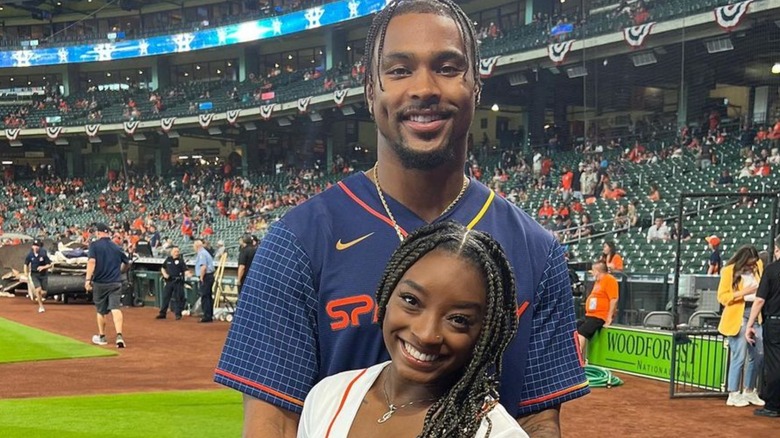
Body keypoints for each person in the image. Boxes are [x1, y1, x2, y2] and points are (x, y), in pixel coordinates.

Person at [215, 1, 588, 437]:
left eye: (448, 67)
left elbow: (537, 420)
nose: (424, 87)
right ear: (371, 89)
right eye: (399, 70)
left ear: (476, 87)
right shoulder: (296, 241)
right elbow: (272, 425)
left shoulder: (538, 252)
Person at [298, 222, 527, 437]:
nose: (427, 334)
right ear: (386, 294)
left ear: (485, 335)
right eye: (411, 300)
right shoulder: (328, 396)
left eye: (458, 320)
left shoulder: (496, 432)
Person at [717, 245, 765, 408]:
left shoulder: (758, 267)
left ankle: (749, 390)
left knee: (758, 354)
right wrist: (744, 292)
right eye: (750, 263)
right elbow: (723, 298)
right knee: (739, 355)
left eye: (754, 263)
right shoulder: (729, 271)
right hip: (738, 314)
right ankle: (733, 393)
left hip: (756, 313)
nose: (753, 266)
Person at [746, 235, 780, 417]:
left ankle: (773, 406)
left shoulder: (771, 270)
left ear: (777, 250)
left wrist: (750, 324)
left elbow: (759, 300)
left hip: (775, 322)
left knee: (774, 364)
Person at [85, 223, 130, 348]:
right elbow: (126, 264)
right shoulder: (116, 247)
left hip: (100, 283)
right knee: (116, 308)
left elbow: (91, 262)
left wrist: (87, 280)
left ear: (98, 233)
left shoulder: (94, 245)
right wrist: (121, 271)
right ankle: (119, 336)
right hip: (115, 282)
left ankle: (102, 336)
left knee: (101, 311)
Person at [576, 261, 618, 359]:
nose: (592, 273)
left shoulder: (609, 280)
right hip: (589, 315)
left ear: (598, 271)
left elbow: (614, 299)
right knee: (575, 328)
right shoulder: (598, 282)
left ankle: (578, 359)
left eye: (593, 271)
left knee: (582, 332)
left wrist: (609, 318)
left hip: (598, 316)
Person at [157, 246, 189, 320]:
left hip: (178, 281)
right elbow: (163, 268)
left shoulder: (181, 261)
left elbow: (185, 270)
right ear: (171, 252)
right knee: (166, 297)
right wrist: (165, 274)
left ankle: (178, 314)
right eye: (175, 251)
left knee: (178, 298)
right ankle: (162, 313)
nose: (177, 253)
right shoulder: (168, 259)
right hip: (169, 281)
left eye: (178, 251)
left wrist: (188, 274)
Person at [24, 239, 52, 314]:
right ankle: (41, 306)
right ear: (32, 246)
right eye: (34, 246)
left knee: (44, 292)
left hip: (43, 274)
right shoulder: (30, 255)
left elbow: (50, 265)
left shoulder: (43, 254)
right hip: (34, 274)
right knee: (38, 289)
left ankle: (38, 295)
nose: (36, 247)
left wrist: (43, 267)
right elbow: (26, 264)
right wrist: (26, 273)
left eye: (37, 246)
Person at [193, 239, 215, 323]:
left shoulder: (202, 253)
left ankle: (206, 315)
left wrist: (201, 277)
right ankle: (209, 314)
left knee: (205, 296)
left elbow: (203, 267)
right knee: (208, 296)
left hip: (206, 276)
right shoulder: (205, 252)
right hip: (209, 276)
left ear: (197, 246)